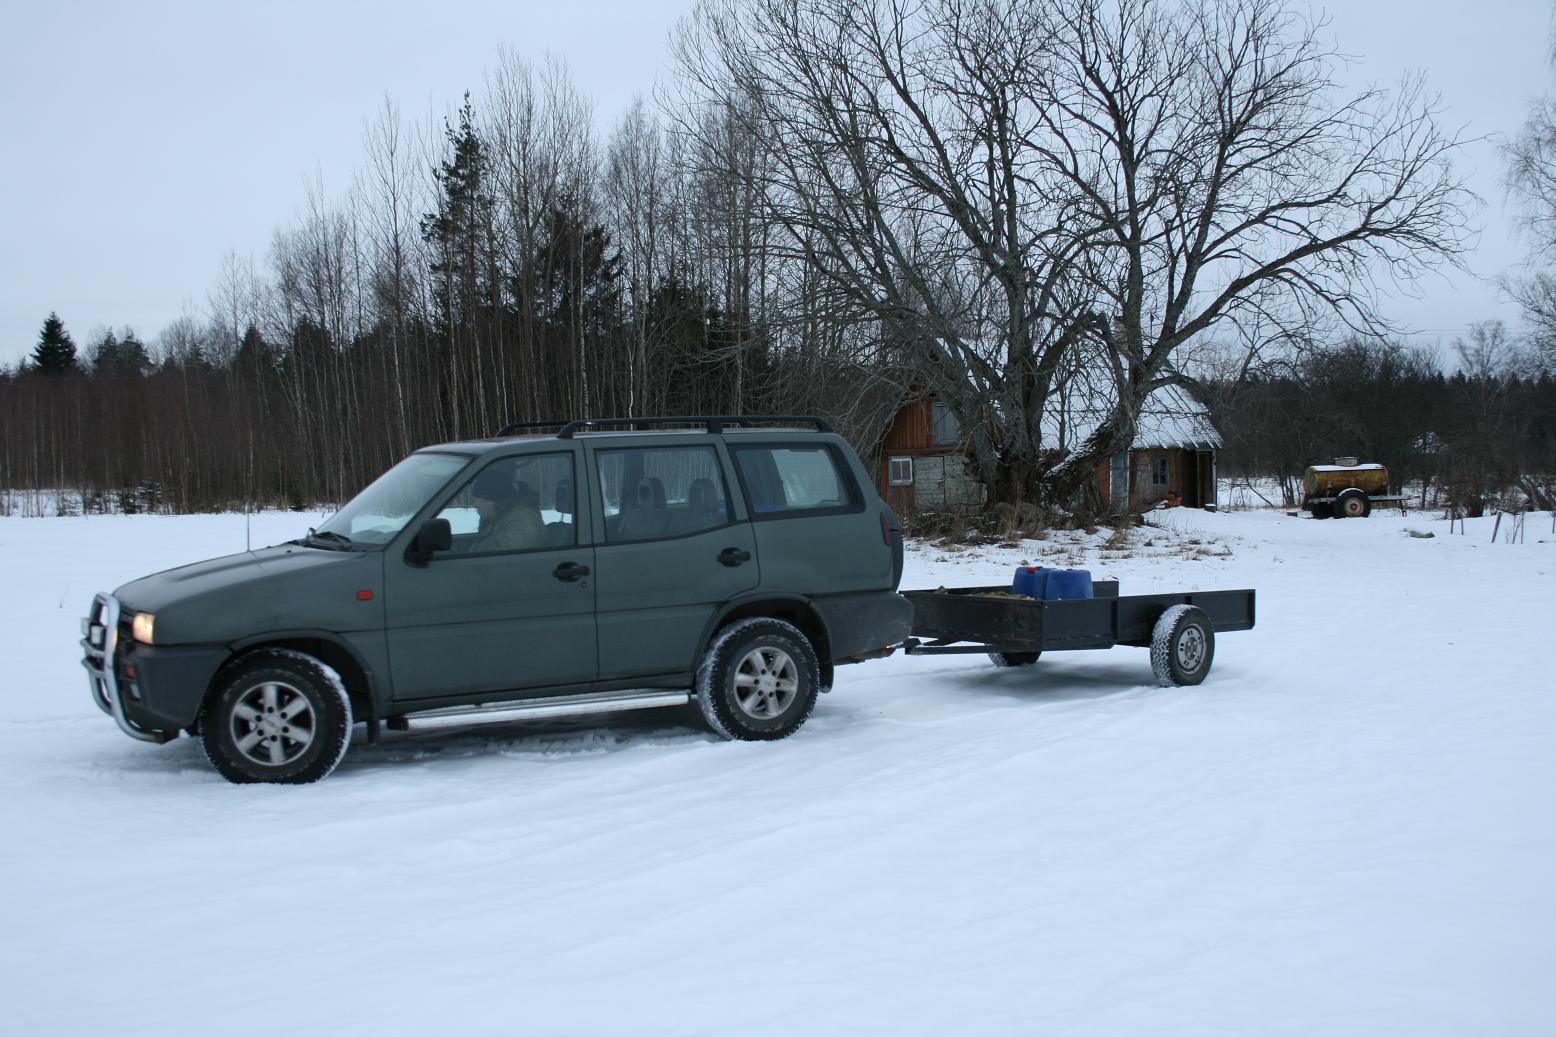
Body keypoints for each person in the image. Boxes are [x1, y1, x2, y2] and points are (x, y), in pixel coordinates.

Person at [469, 467, 544, 552]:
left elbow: (499, 562)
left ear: (493, 499)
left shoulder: (523, 521)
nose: (475, 505)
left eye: (478, 499)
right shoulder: (499, 518)